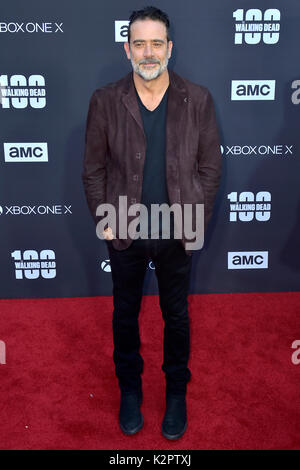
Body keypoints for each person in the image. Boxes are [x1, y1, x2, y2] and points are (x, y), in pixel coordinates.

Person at [82, 6, 222, 440]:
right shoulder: (105, 100)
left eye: (156, 43)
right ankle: (129, 389)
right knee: (124, 313)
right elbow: (93, 169)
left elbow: (210, 168)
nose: (148, 52)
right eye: (139, 43)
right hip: (124, 226)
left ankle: (176, 392)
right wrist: (105, 220)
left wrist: (196, 218)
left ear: (170, 48)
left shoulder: (197, 99)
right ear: (126, 49)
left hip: (178, 228)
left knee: (175, 315)